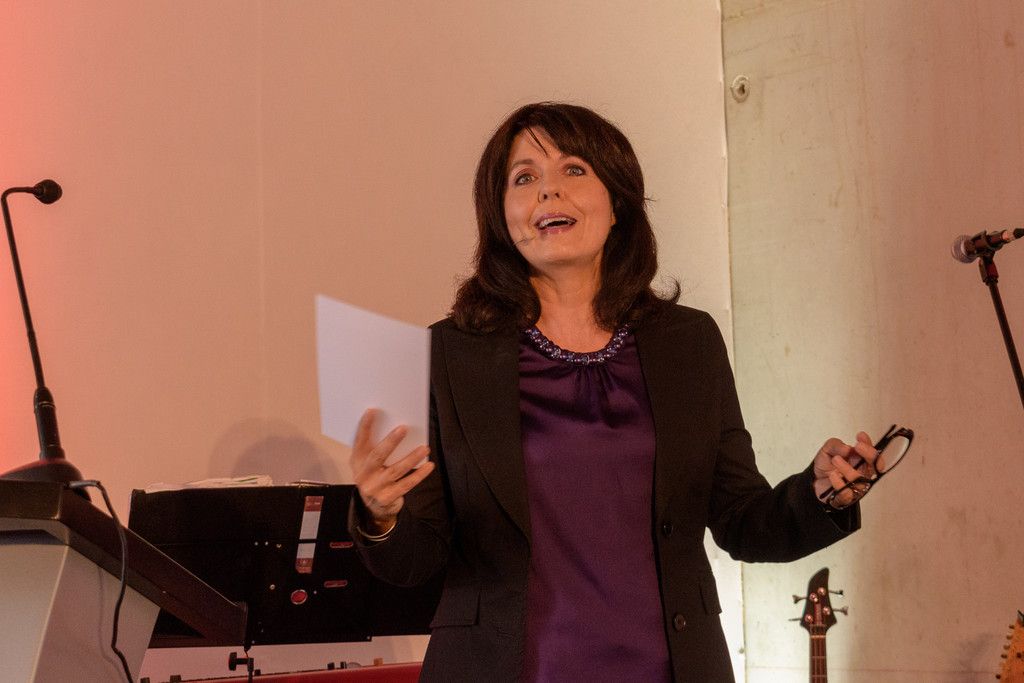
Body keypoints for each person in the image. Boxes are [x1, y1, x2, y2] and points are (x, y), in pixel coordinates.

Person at [347, 102, 877, 683]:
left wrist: (820, 494)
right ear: (501, 215)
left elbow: (741, 519)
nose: (548, 191)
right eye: (524, 177)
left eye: (573, 169)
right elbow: (413, 562)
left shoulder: (688, 342)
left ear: (618, 201)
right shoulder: (441, 355)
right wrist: (381, 516)